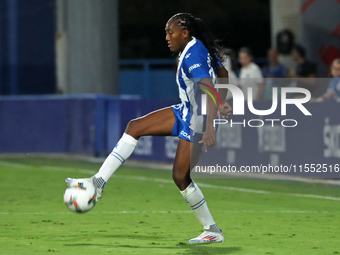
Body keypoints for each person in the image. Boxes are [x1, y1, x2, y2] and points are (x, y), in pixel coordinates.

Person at [66, 13, 231, 243]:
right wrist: (222, 102)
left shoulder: (194, 54)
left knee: (180, 177)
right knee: (135, 126)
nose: (167, 37)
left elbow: (207, 86)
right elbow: (222, 74)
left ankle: (212, 230)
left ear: (185, 33)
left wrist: (211, 124)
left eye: (170, 32)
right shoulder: (197, 47)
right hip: (187, 110)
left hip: (199, 121)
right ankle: (98, 182)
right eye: (166, 32)